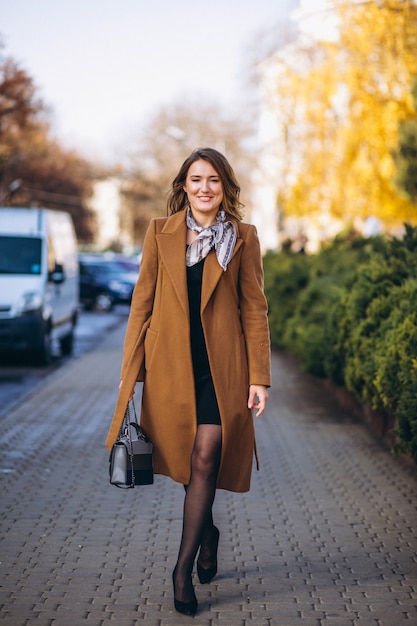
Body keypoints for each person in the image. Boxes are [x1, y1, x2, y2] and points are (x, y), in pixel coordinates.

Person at [105, 147, 271, 616]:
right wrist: (130, 372)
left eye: (214, 180)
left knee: (205, 457)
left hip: (222, 369)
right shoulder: (160, 233)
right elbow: (143, 302)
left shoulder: (243, 237)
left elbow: (255, 308)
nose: (204, 188)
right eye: (196, 179)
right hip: (172, 366)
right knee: (184, 458)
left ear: (225, 188)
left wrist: (259, 377)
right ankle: (208, 532)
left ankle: (181, 571)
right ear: (183, 186)